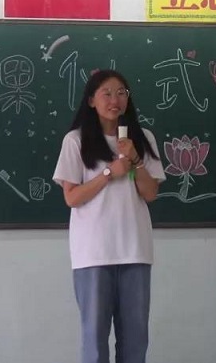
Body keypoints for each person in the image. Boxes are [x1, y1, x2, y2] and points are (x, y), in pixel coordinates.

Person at [52, 69, 165, 363]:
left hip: (135, 251)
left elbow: (150, 193)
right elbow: (72, 197)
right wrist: (108, 173)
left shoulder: (143, 138)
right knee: (95, 339)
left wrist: (135, 159)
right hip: (93, 254)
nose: (115, 100)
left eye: (121, 93)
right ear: (91, 100)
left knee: (135, 339)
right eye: (107, 93)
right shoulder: (76, 141)